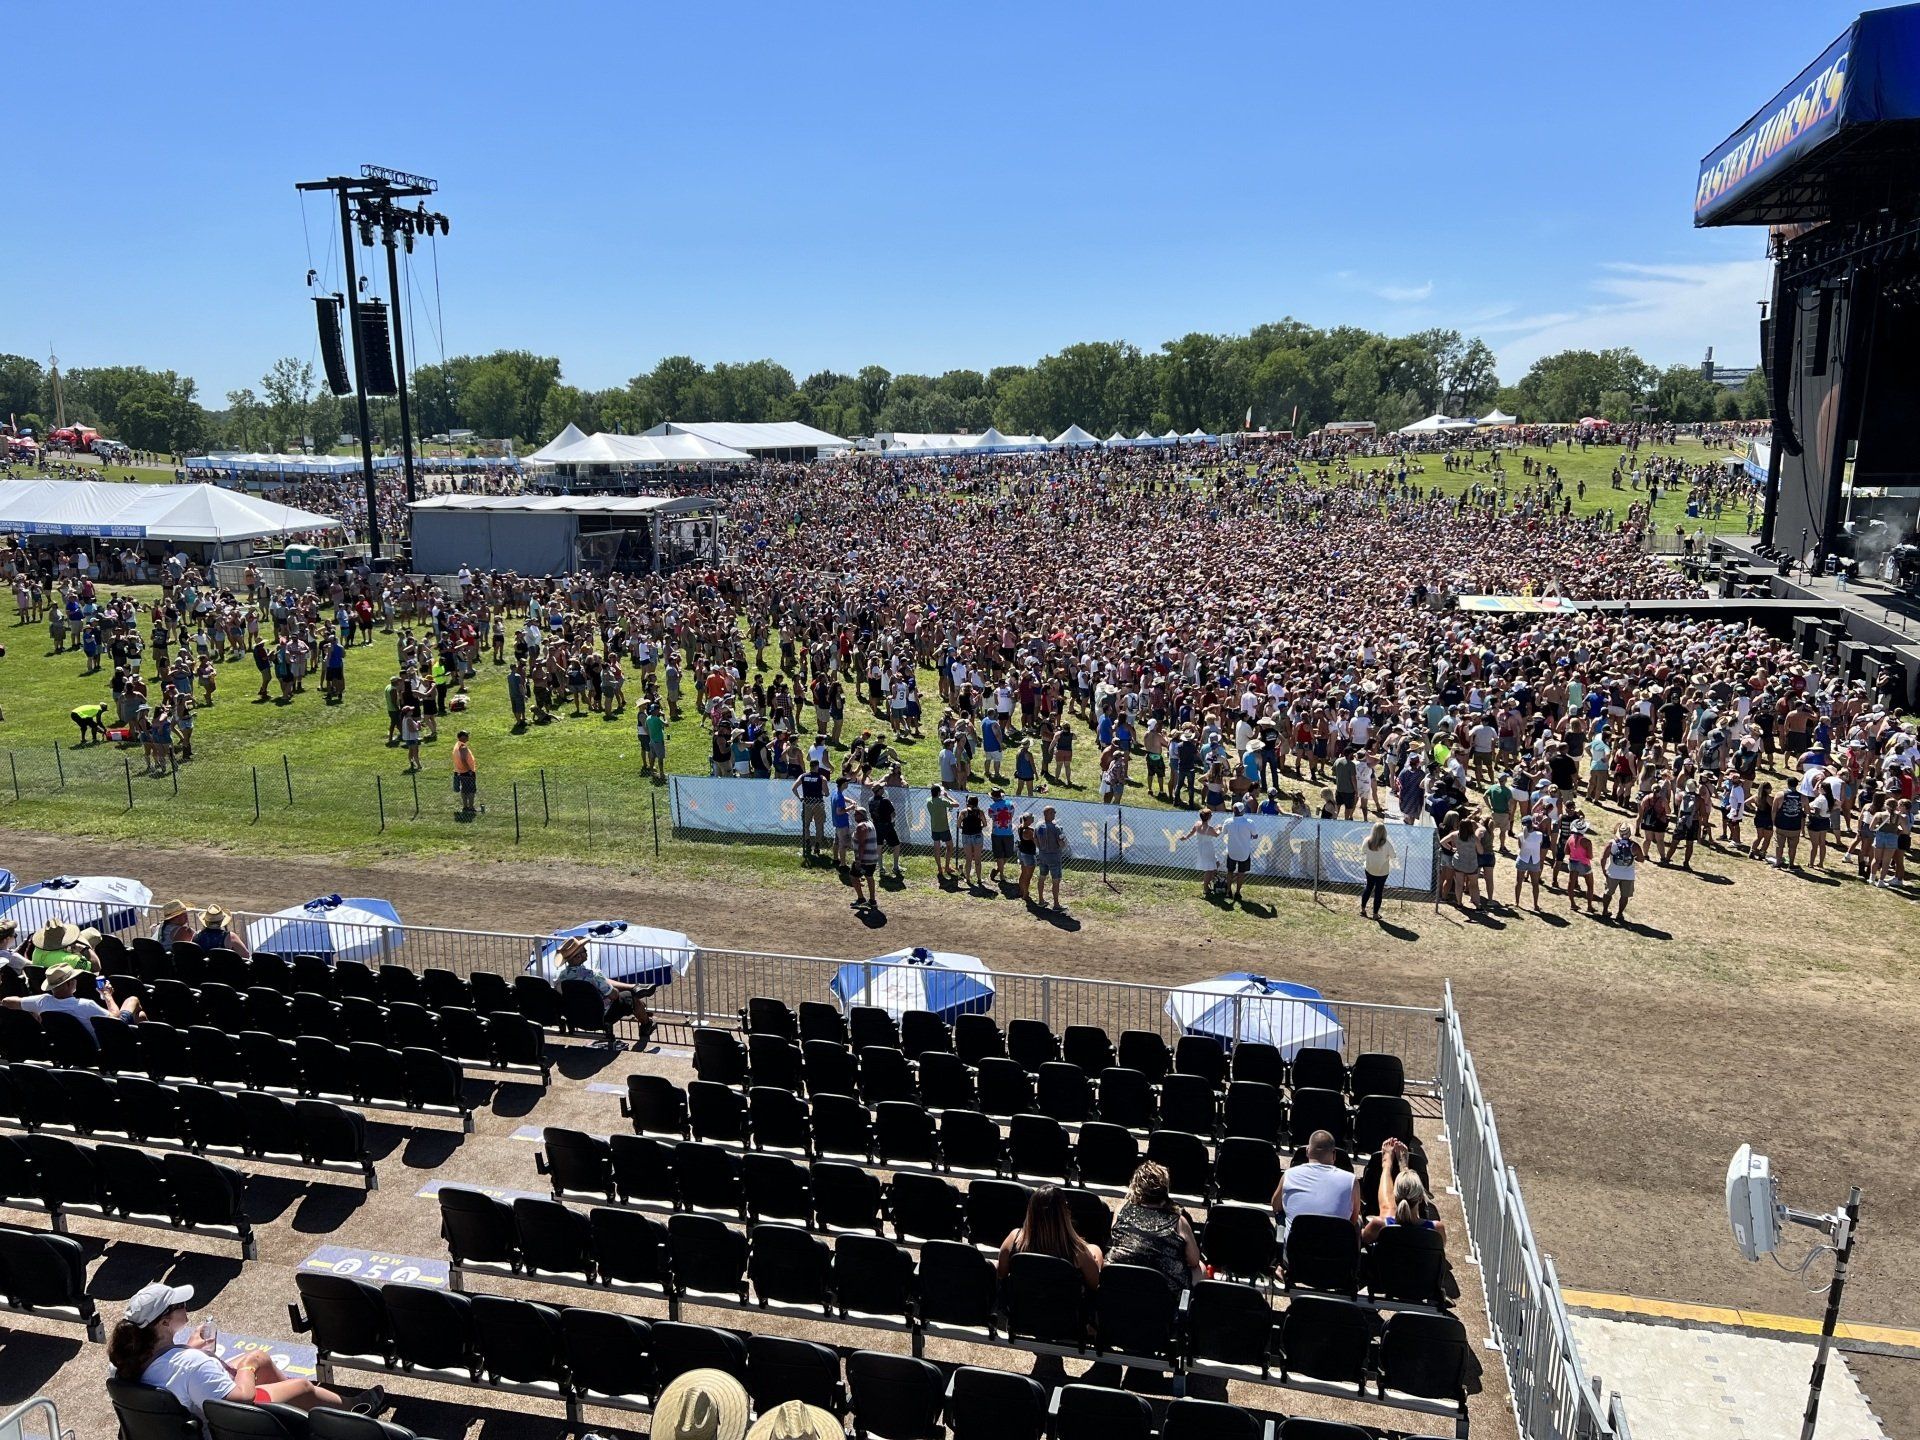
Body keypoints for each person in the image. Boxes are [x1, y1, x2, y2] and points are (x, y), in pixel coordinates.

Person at [107, 1280, 370, 1418]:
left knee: (260, 1358)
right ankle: (351, 1410)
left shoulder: (124, 1361)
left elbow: (174, 1374)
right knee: (301, 1387)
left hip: (186, 1412)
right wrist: (246, 1367)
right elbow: (243, 1398)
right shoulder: (192, 1364)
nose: (185, 1306)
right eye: (179, 1305)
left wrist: (192, 1350)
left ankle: (299, 1419)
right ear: (164, 1323)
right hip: (222, 1424)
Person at [1107, 1162, 1203, 1290]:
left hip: (1120, 1284)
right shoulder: (1178, 1221)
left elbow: (1116, 1239)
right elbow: (1194, 1260)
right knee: (1200, 1268)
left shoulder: (1121, 1210)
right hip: (1163, 1294)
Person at [996, 1183, 1104, 1289]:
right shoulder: (1078, 1252)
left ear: (1031, 1212)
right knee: (1095, 1249)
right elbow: (1094, 1284)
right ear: (1065, 1215)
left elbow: (1001, 1273)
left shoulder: (1015, 1239)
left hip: (1022, 1305)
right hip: (1062, 1306)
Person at [553, 935, 656, 1046]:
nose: (586, 951)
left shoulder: (561, 978)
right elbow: (614, 995)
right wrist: (616, 990)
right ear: (578, 957)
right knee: (630, 997)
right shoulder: (594, 975)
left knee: (625, 993)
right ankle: (646, 1025)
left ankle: (635, 992)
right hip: (599, 1017)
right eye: (584, 950)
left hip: (576, 1017)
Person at [2, 963, 144, 1032]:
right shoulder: (85, 1005)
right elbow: (116, 1021)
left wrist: (33, 1011)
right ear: (70, 983)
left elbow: (8, 1002)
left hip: (68, 1048)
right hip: (100, 1044)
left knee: (141, 1015)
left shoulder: (41, 1002)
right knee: (133, 1000)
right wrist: (107, 995)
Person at [1359, 1139, 1447, 1248]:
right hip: (1418, 1264)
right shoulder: (1436, 1230)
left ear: (1394, 1197)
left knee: (1386, 1210)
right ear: (1420, 1198)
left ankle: (1387, 1166)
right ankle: (1404, 1167)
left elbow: (1361, 1239)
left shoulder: (1379, 1226)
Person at [1274, 1129, 1361, 1239]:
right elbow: (1353, 1219)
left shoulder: (1289, 1174)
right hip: (1336, 1253)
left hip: (1296, 1252)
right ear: (1334, 1155)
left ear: (1307, 1151)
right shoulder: (1351, 1181)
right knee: (1358, 1223)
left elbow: (1276, 1206)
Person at [1598, 823, 1644, 923]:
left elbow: (1603, 858)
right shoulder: (1634, 846)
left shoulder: (1611, 843)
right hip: (1628, 875)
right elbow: (1641, 859)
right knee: (1624, 896)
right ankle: (1619, 914)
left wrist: (1604, 870)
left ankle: (1605, 910)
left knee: (1608, 893)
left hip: (1613, 873)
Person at [1033, 804, 1068, 910]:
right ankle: (1056, 904)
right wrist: (1063, 845)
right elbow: (1061, 843)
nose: (1055, 814)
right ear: (1047, 814)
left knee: (1042, 877)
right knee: (1056, 880)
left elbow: (1035, 839)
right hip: (1054, 856)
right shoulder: (1056, 828)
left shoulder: (1038, 826)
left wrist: (1041, 848)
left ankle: (1040, 900)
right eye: (1053, 812)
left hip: (1043, 855)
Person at [1222, 801, 1257, 903]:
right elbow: (1255, 835)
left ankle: (1228, 891)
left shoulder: (1228, 821)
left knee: (1230, 871)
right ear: (1243, 811)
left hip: (1232, 851)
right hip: (1244, 852)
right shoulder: (1249, 822)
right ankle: (1237, 892)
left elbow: (1224, 832)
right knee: (1241, 873)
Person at [1360, 822, 1395, 918]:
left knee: (1368, 888)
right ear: (1384, 832)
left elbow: (1363, 851)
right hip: (1382, 872)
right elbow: (1393, 856)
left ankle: (1363, 909)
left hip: (1369, 869)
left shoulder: (1367, 841)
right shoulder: (1387, 844)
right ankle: (1375, 914)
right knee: (1378, 892)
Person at [452, 730, 478, 815]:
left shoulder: (457, 745)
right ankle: (470, 807)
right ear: (462, 737)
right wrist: (469, 770)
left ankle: (465, 806)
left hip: (460, 771)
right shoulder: (462, 747)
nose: (468, 737)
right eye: (466, 735)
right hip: (467, 772)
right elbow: (463, 759)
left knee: (464, 789)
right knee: (471, 790)